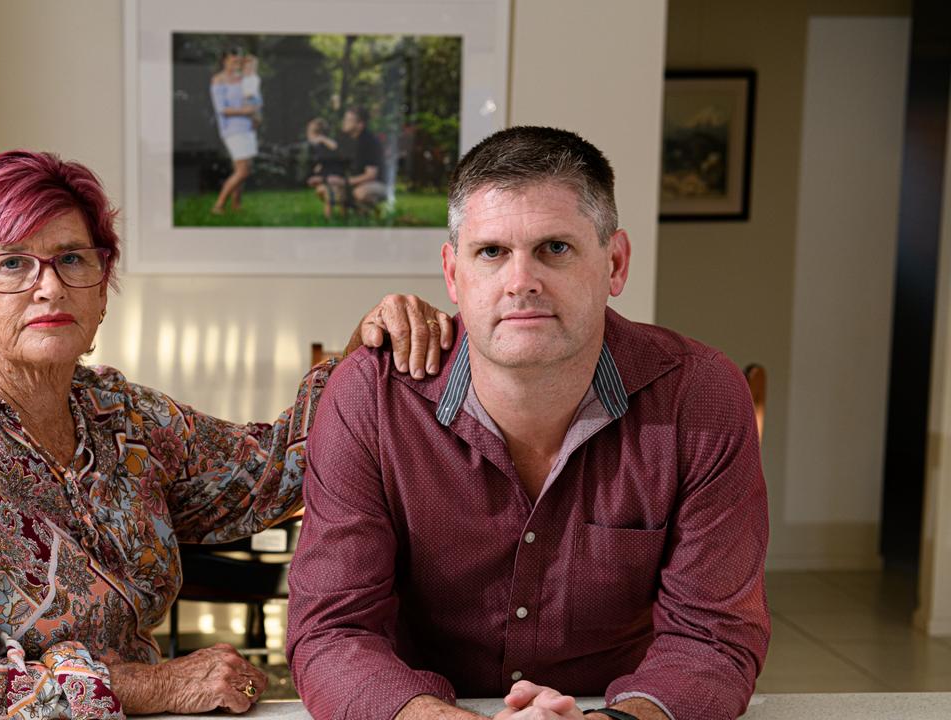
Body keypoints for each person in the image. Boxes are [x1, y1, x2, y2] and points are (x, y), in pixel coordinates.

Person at [0, 150, 454, 720]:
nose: (49, 285)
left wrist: (365, 349)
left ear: (102, 287)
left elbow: (272, 471)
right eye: (13, 263)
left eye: (73, 259)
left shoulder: (115, 414)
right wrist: (154, 686)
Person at [286, 126, 769, 720]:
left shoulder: (701, 397)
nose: (522, 282)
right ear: (452, 272)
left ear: (615, 264)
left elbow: (712, 638)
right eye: (491, 252)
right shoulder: (372, 399)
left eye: (555, 249)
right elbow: (332, 631)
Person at [210, 47, 260, 215]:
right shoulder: (218, 80)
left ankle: (236, 205)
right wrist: (245, 111)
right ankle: (219, 205)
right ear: (225, 61)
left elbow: (255, 99)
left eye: (239, 61)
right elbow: (221, 109)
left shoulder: (243, 79)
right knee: (242, 170)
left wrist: (256, 113)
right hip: (232, 129)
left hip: (248, 127)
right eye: (233, 61)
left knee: (244, 169)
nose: (237, 65)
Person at [335, 106, 387, 213]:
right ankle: (343, 221)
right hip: (357, 182)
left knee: (360, 193)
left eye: (348, 120)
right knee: (329, 190)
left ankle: (374, 214)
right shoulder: (347, 141)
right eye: (345, 119)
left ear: (360, 125)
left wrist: (344, 182)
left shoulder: (369, 142)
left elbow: (371, 175)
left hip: (379, 184)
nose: (344, 123)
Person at [305, 118, 347, 219]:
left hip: (335, 178)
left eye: (309, 132)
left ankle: (330, 219)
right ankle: (340, 216)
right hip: (330, 177)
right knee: (324, 192)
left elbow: (336, 151)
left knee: (329, 193)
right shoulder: (320, 147)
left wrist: (321, 177)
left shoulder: (325, 145)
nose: (307, 136)